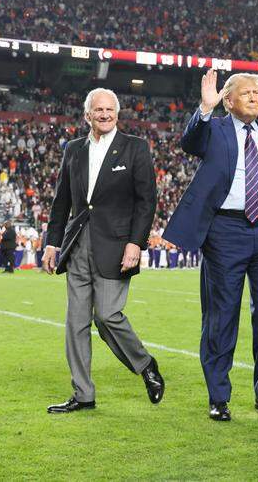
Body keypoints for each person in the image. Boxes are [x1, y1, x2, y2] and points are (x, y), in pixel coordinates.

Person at [163, 70, 258, 422]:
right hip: (224, 231)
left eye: (257, 93)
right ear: (229, 100)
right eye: (247, 93)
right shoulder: (215, 129)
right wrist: (204, 109)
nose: (254, 97)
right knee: (221, 317)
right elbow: (189, 143)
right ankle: (218, 397)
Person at [42, 88, 164, 414]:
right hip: (78, 243)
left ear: (117, 114)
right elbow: (61, 202)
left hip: (117, 245)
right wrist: (52, 242)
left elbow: (146, 200)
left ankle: (146, 365)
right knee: (76, 322)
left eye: (110, 109)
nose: (105, 114)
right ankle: (83, 394)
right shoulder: (73, 150)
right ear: (88, 115)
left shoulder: (135, 148)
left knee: (108, 314)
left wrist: (135, 243)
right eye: (99, 110)